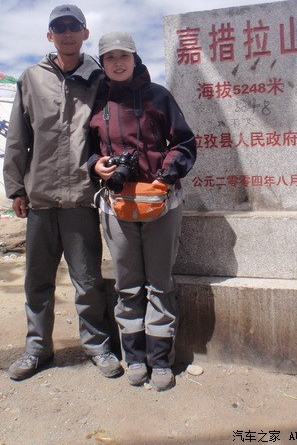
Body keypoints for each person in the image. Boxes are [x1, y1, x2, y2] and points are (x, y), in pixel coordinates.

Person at [3, 5, 122, 381]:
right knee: (37, 281)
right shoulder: (31, 78)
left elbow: (110, 131)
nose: (67, 32)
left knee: (87, 281)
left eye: (74, 26)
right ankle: (37, 348)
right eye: (60, 27)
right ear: (49, 35)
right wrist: (15, 187)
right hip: (39, 198)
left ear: (85, 33)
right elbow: (18, 136)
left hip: (80, 196)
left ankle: (98, 346)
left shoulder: (98, 78)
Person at [88, 31, 197, 391]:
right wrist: (96, 164)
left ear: (135, 59)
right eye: (110, 58)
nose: (118, 63)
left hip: (161, 202)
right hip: (116, 206)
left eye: (124, 56)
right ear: (103, 64)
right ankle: (134, 357)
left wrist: (165, 177)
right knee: (127, 285)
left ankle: (160, 360)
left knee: (160, 283)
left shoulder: (158, 96)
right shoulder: (96, 103)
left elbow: (184, 142)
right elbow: (87, 150)